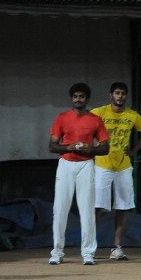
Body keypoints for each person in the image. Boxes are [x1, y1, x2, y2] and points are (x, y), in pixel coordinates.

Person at [48, 83, 109, 265]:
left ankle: (88, 253)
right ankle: (57, 253)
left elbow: (105, 148)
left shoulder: (95, 120)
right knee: (60, 209)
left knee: (87, 210)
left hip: (86, 165)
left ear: (87, 99)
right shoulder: (62, 118)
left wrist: (89, 149)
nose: (78, 99)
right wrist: (69, 147)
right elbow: (52, 146)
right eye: (75, 96)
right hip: (65, 163)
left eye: (81, 96)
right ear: (71, 98)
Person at [93, 81, 141, 261]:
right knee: (98, 207)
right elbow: (83, 126)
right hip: (102, 165)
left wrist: (134, 151)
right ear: (110, 95)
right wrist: (90, 148)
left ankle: (116, 248)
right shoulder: (98, 112)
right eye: (117, 93)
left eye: (123, 94)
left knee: (123, 207)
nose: (120, 96)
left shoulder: (132, 115)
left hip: (123, 166)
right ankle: (89, 247)